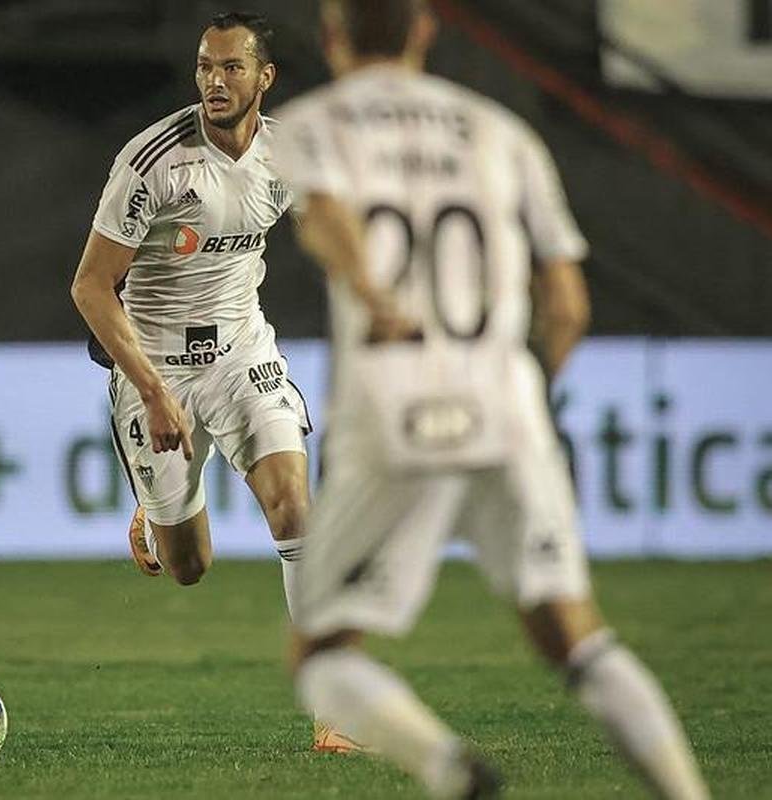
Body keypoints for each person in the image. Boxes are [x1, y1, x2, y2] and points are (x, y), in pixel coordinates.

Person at [271, 1, 711, 797]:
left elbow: (325, 217)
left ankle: (450, 770)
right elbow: (568, 302)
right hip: (505, 405)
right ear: (423, 31)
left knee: (324, 655)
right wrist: (525, 388)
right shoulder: (500, 132)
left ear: (332, 36)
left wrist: (372, 294)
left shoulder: (310, 123)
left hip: (390, 409)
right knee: (575, 637)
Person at [71, 11, 356, 754]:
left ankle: (333, 714)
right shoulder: (152, 160)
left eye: (230, 67)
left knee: (294, 507)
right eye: (204, 66)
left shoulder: (285, 153)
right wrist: (155, 393)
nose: (213, 80)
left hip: (241, 353)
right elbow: (93, 288)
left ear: (264, 78)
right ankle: (155, 507)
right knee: (188, 567)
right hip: (153, 366)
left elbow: (322, 224)